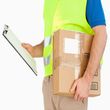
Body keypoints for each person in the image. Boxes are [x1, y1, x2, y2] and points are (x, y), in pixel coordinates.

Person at [22, 0, 107, 110]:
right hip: (49, 83)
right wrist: (33, 50)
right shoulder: (49, 2)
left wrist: (87, 79)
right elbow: (53, 40)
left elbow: (101, 34)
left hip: (73, 84)